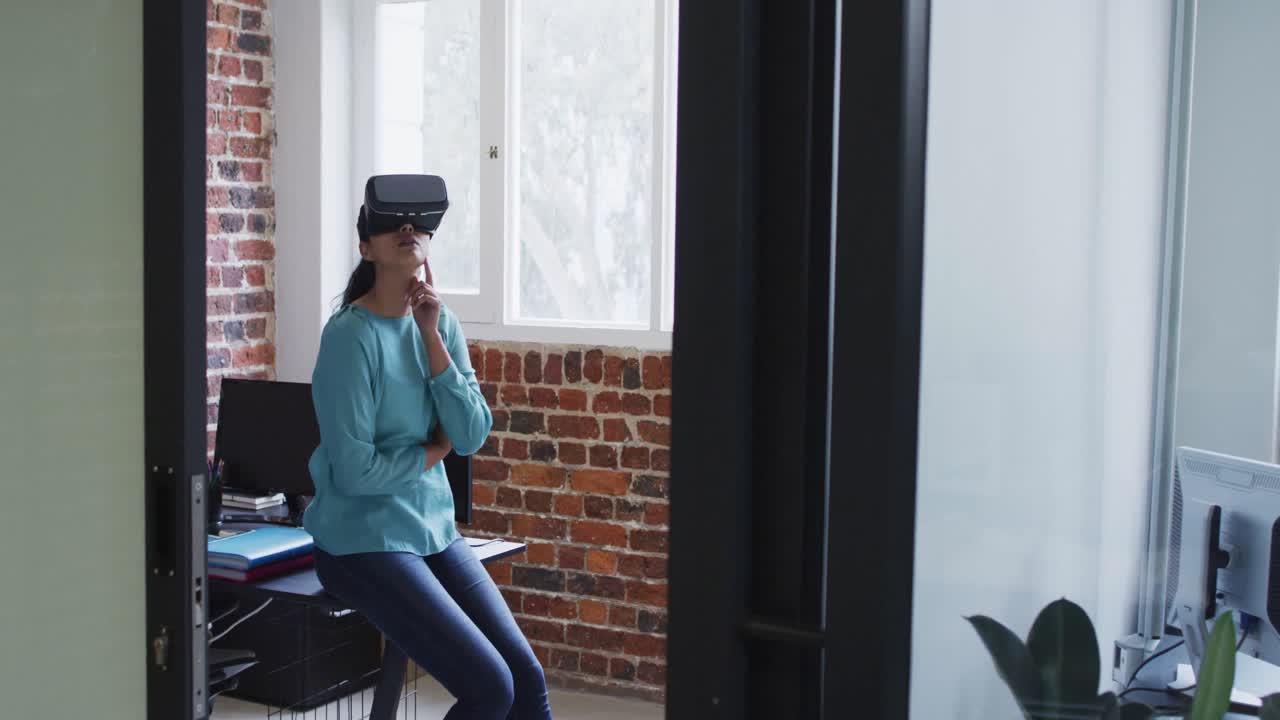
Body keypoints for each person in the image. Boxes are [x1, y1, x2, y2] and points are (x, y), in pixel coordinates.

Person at [302, 209, 553, 719]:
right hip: (361, 540)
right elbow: (353, 472)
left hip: (432, 528)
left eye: (416, 223)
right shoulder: (349, 337)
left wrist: (432, 335)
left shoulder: (442, 323)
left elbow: (471, 433)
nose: (407, 229)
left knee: (526, 680)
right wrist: (431, 453)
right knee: (490, 687)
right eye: (391, 223)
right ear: (365, 249)